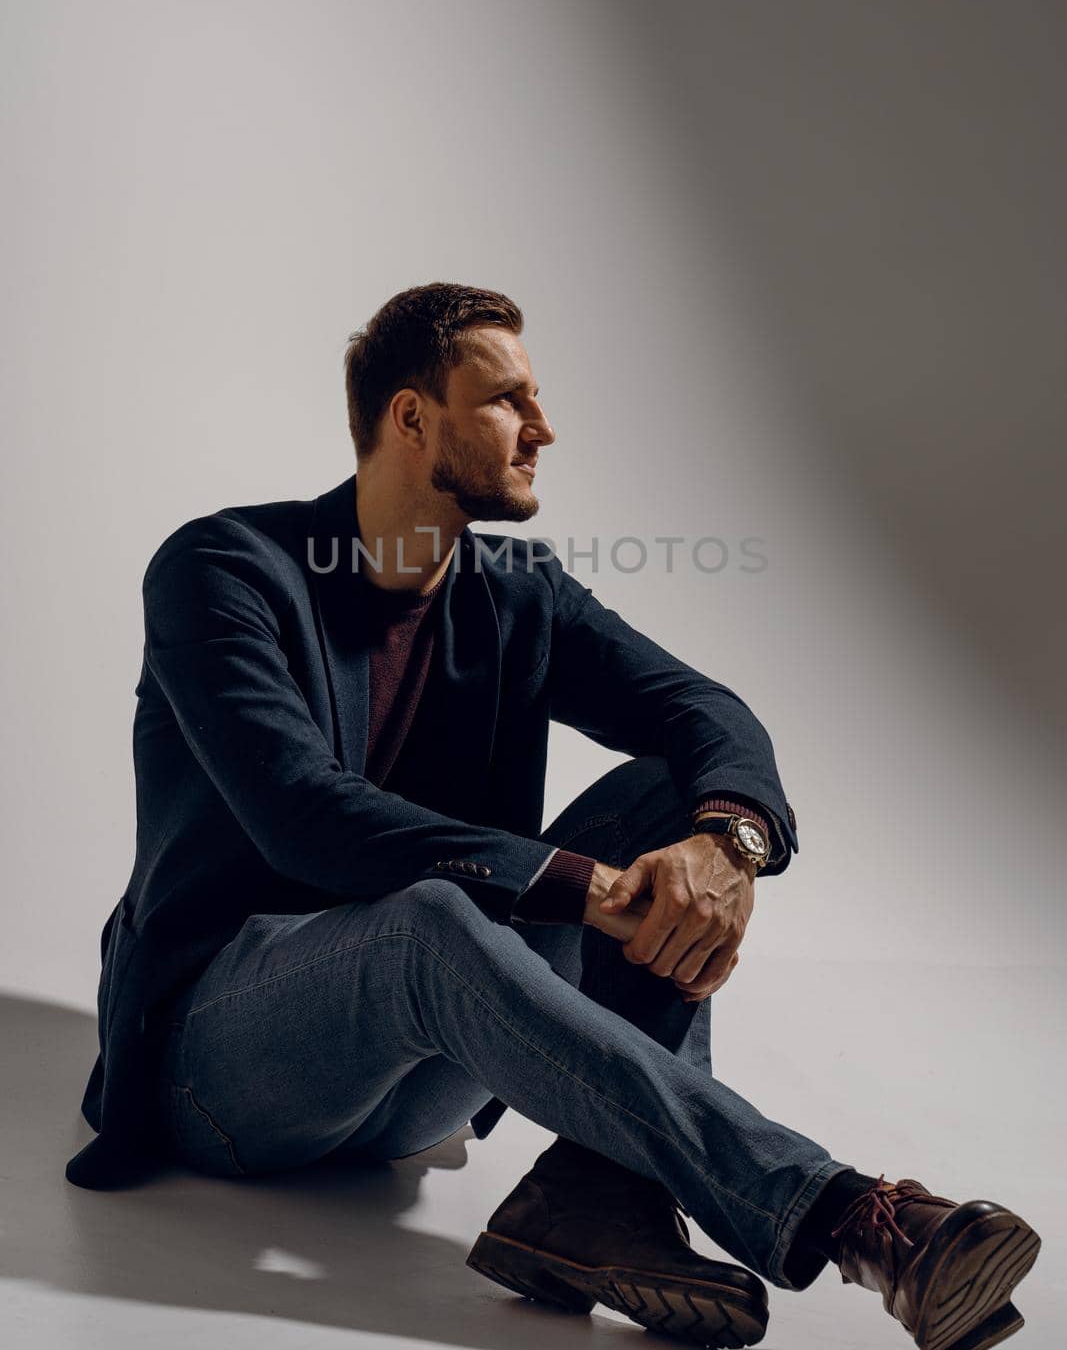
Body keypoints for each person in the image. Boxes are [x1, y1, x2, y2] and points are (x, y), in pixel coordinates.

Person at [65, 282, 1040, 1349]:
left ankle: (591, 1198)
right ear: (411, 418)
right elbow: (306, 818)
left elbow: (703, 711)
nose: (543, 426)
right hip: (225, 1066)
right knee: (431, 920)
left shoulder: (518, 591)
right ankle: (851, 1218)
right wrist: (584, 886)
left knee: (676, 801)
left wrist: (727, 841)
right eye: (507, 400)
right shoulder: (224, 572)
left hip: (414, 1091)